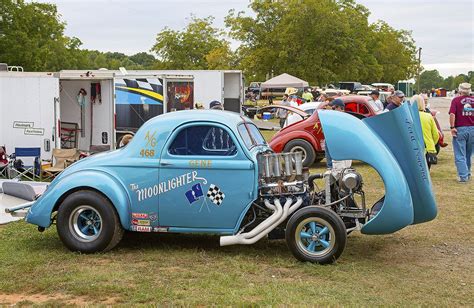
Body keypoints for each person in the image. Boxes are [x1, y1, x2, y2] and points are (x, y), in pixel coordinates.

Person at [449, 82, 474, 183]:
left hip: (461, 128)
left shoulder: (456, 100)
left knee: (460, 154)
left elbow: (452, 114)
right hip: (472, 128)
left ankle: (463, 177)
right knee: (468, 154)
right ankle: (467, 173)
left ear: (460, 90)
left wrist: (452, 127)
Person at [412, 95, 439, 170]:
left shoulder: (409, 116)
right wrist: (432, 143)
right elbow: (436, 134)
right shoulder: (428, 116)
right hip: (428, 148)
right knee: (426, 173)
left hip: (413, 148)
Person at [323, 98, 345, 169]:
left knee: (336, 161)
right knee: (330, 160)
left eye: (334, 107)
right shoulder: (335, 115)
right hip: (330, 138)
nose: (332, 109)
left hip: (336, 139)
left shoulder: (341, 116)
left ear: (339, 107)